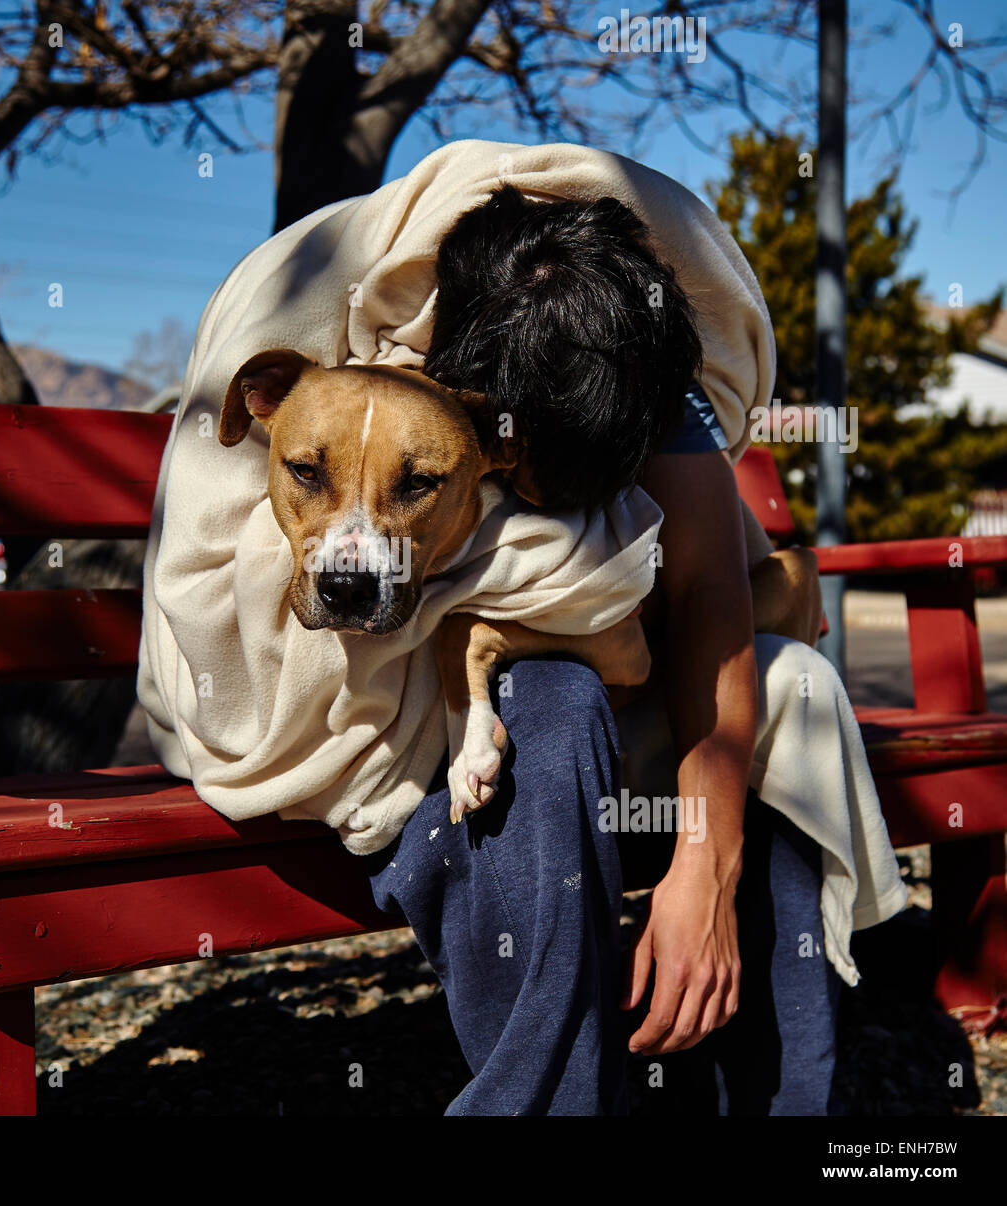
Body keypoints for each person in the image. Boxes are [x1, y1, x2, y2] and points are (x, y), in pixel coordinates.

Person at [137, 140, 907, 1116]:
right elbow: (212, 571)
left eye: (584, 488)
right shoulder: (332, 314)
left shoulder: (625, 333)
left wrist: (703, 873)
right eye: (527, 477)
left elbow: (713, 596)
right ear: (457, 380)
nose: (545, 511)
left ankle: (777, 1104)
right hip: (443, 713)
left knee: (782, 688)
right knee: (547, 699)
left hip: (622, 690)